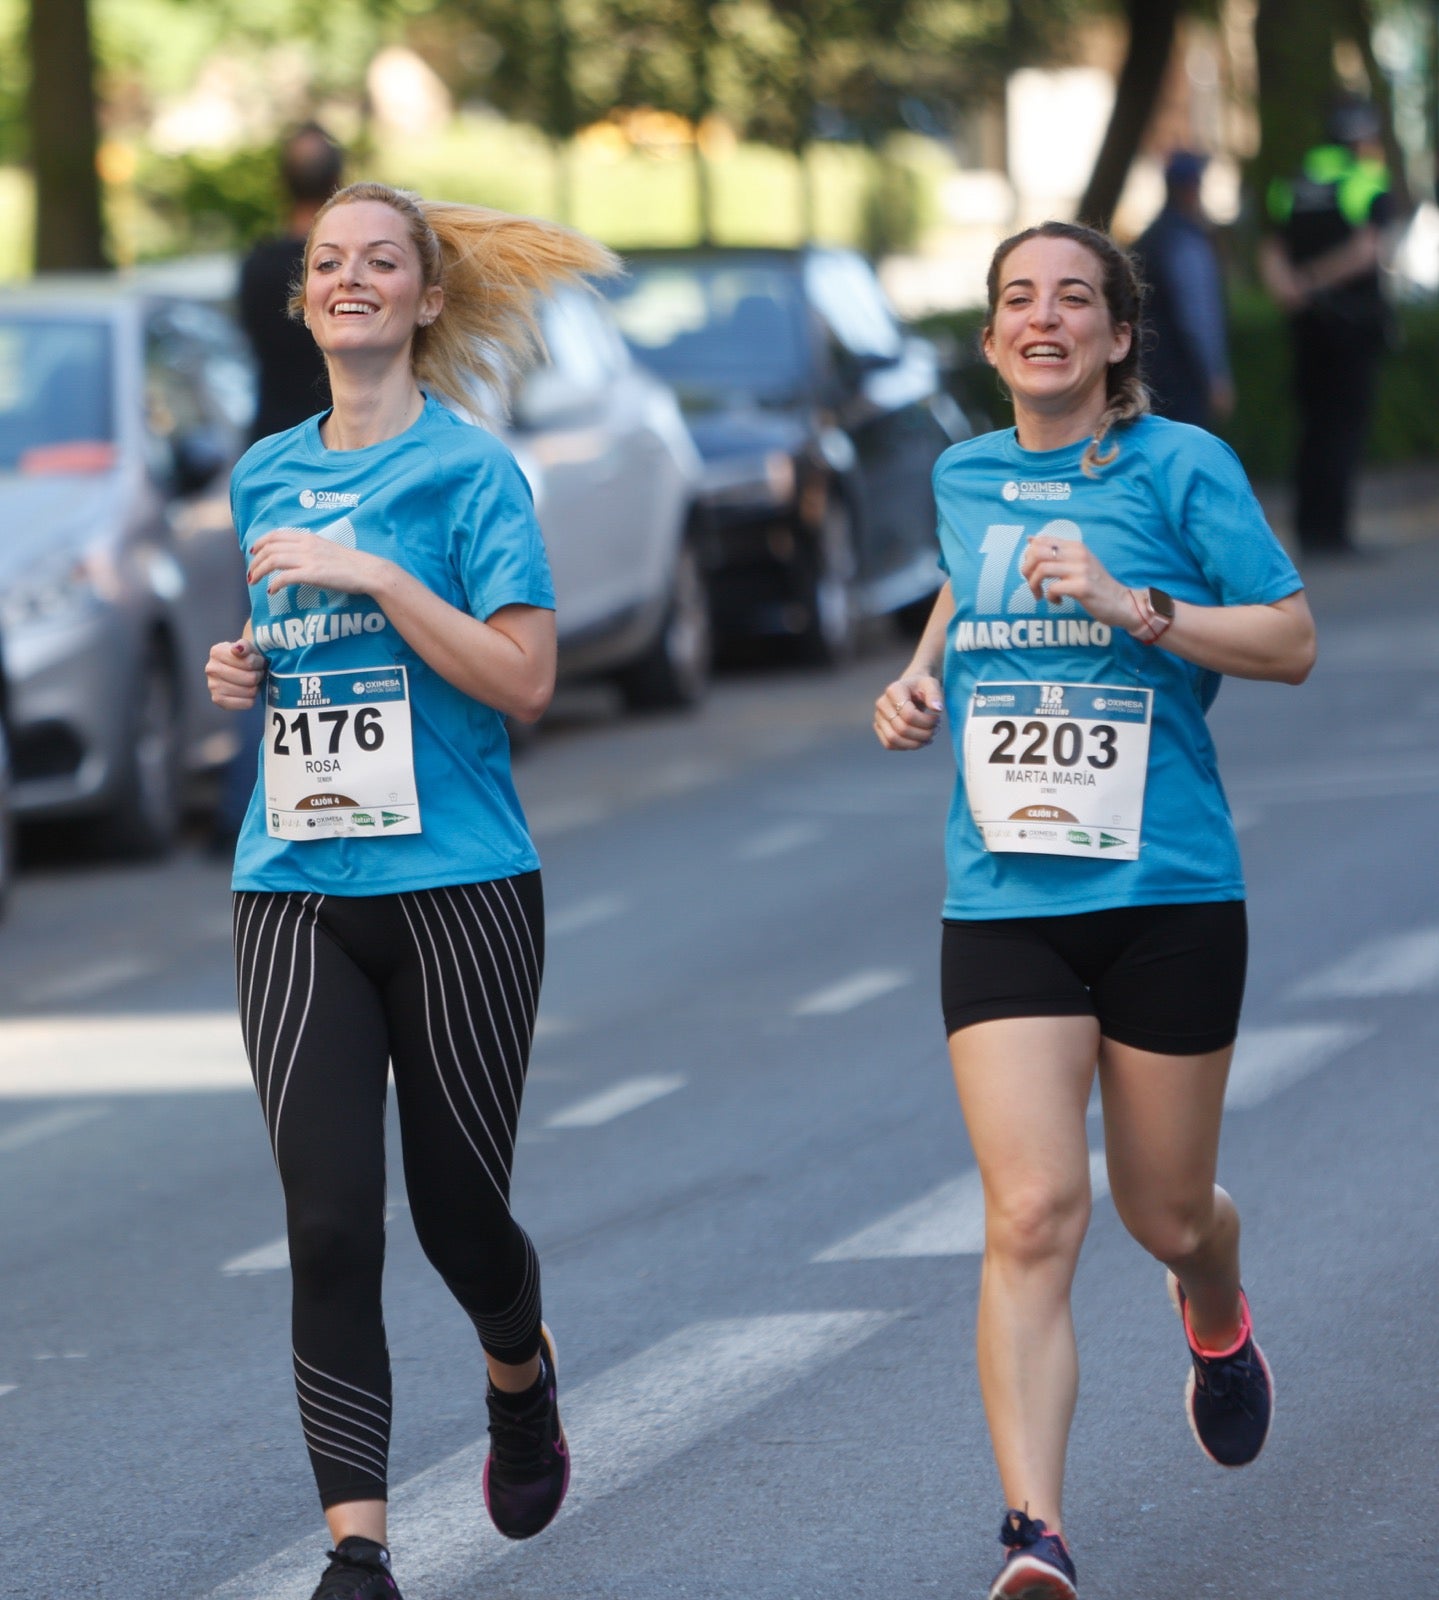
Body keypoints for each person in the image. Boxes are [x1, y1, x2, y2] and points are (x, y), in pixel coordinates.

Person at [873, 221, 1316, 1599]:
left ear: (1118, 337)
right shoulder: (963, 472)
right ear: (993, 337)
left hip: (1165, 889)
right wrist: (916, 677)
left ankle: (1212, 1300)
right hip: (1001, 893)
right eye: (1018, 302)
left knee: (1162, 1211)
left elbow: (1288, 640)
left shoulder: (1181, 467)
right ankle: (1033, 1534)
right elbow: (969, 575)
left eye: (1073, 300)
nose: (1043, 319)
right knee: (1029, 1209)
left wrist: (1137, 608)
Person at [205, 181, 618, 1600]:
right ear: (304, 298)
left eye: (382, 262)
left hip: (459, 890)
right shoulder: (265, 473)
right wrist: (246, 670)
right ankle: (357, 1554)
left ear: (427, 300)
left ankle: (518, 1371)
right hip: (294, 883)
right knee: (326, 1222)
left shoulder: (473, 475)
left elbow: (524, 679)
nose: (351, 280)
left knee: (454, 1212)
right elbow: (295, 644)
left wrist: (376, 575)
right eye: (329, 263)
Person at [210, 124, 347, 856]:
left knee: (266, 625)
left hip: (269, 456)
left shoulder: (260, 266)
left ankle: (244, 800)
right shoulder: (350, 270)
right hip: (341, 453)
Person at [1260, 97, 1395, 557]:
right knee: (1343, 427)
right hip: (1350, 324)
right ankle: (1333, 532)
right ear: (1361, 138)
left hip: (1304, 327)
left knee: (1312, 426)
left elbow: (1272, 249)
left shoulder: (1295, 181)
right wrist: (1314, 282)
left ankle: (1307, 528)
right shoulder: (1366, 179)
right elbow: (1366, 251)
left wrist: (1290, 289)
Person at [1130, 150, 1234, 431]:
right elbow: (1198, 315)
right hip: (1182, 375)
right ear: (1192, 188)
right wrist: (1215, 376)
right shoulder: (1185, 241)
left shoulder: (1149, 238)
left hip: (1149, 369)